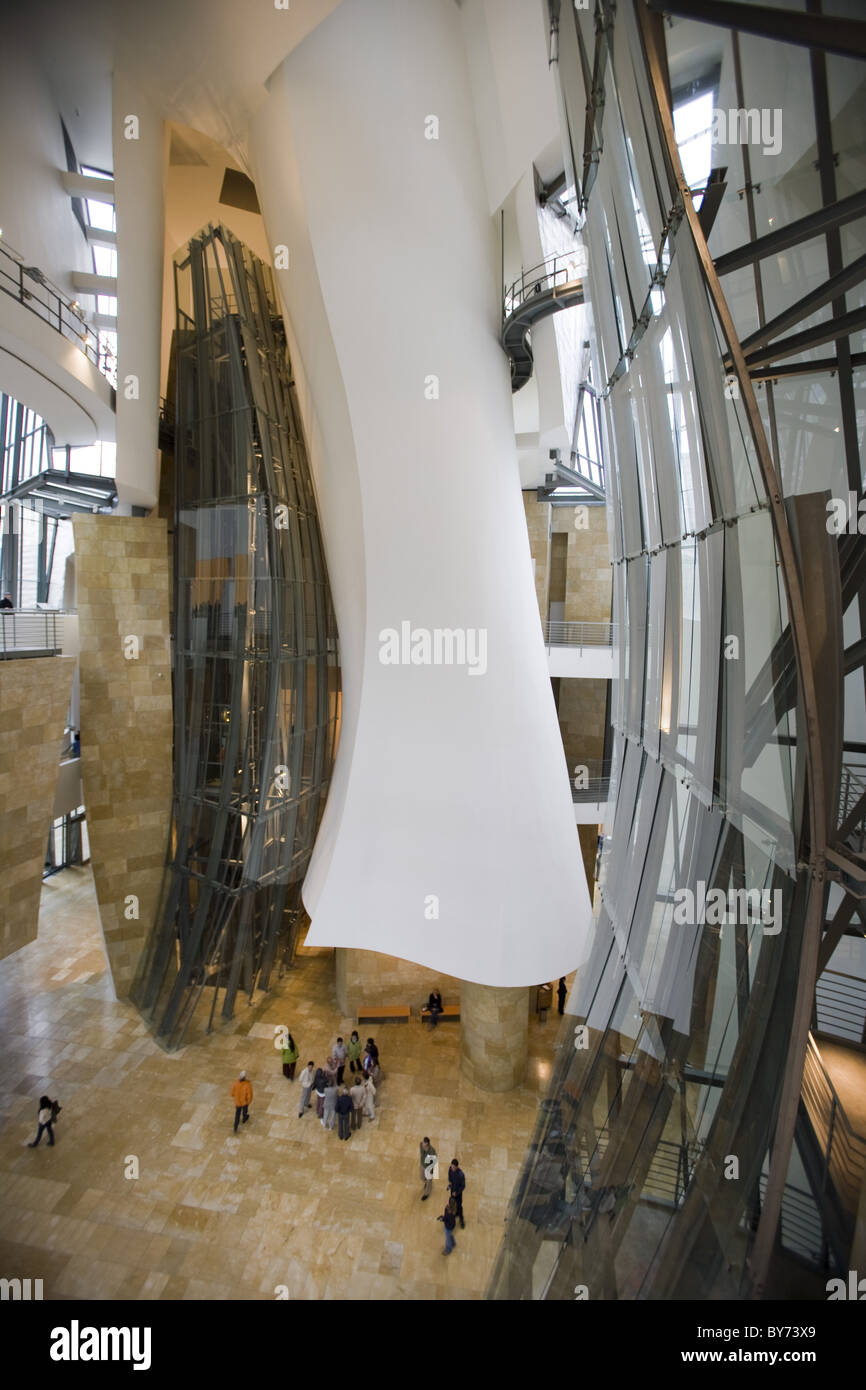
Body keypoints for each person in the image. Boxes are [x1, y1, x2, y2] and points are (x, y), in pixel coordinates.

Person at [448, 1159, 466, 1228]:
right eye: (451, 1166)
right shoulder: (450, 1169)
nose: (452, 1168)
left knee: (459, 1206)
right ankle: (455, 1213)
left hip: (458, 1194)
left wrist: (457, 1192)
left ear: (457, 1167)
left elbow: (463, 1186)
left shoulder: (461, 1174)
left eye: (453, 1167)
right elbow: (450, 1177)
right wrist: (450, 1183)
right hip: (452, 1191)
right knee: (452, 1204)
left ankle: (461, 1219)